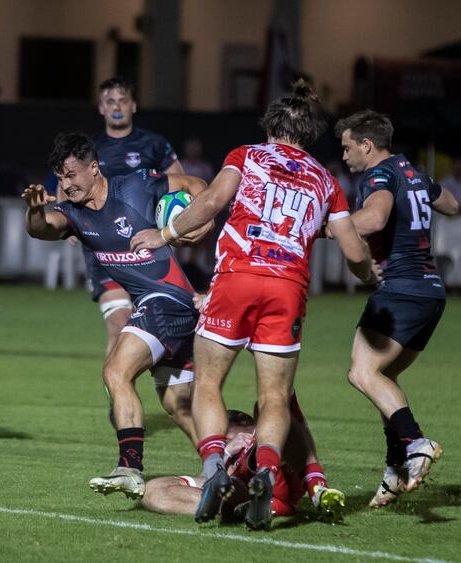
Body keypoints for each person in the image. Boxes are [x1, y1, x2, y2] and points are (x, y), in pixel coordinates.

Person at [131, 80, 377, 530]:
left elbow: (211, 202)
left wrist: (165, 234)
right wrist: (368, 276)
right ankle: (265, 469)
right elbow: (355, 251)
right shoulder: (326, 180)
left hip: (238, 277)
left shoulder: (246, 155)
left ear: (271, 126)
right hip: (288, 288)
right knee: (274, 397)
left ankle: (211, 469)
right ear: (310, 134)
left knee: (207, 383)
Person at [24, 132, 211, 499]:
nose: (66, 184)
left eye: (72, 174)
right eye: (60, 177)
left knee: (115, 371)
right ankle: (232, 463)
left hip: (167, 302)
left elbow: (196, 183)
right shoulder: (73, 213)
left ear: (94, 169)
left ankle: (129, 467)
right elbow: (42, 230)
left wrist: (197, 224)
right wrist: (33, 210)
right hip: (174, 308)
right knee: (179, 405)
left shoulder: (137, 185)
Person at [334, 110, 460, 508]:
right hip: (430, 293)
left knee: (362, 372)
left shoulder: (379, 175)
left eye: (348, 147)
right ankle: (395, 467)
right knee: (382, 378)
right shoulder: (411, 171)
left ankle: (416, 443)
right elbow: (453, 205)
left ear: (367, 145)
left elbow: (373, 218)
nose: (345, 155)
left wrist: (326, 227)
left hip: (401, 291)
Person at [86, 77, 185, 355]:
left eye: (123, 100)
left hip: (148, 247)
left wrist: (173, 221)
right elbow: (67, 187)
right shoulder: (89, 148)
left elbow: (181, 182)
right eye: (110, 101)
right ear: (101, 108)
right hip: (104, 249)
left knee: (163, 331)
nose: (117, 106)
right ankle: (118, 397)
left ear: (134, 106)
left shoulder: (154, 144)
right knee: (119, 326)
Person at [142, 404, 345, 524]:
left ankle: (279, 502)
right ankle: (255, 507)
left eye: (221, 441)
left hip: (263, 477)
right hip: (239, 488)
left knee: (268, 411)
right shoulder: (233, 454)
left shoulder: (255, 444)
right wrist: (227, 452)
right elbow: (207, 480)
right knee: (153, 490)